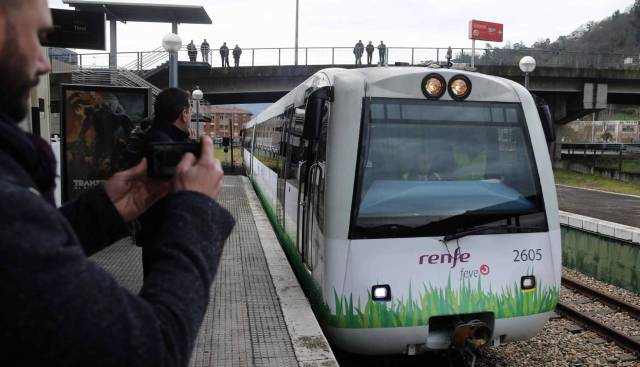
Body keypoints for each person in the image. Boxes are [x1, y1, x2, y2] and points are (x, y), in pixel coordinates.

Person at [0, 2, 235, 366]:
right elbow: (156, 349)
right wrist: (198, 213)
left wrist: (103, 212)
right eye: (35, 36)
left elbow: (26, 259)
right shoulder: (9, 202)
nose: (44, 62)